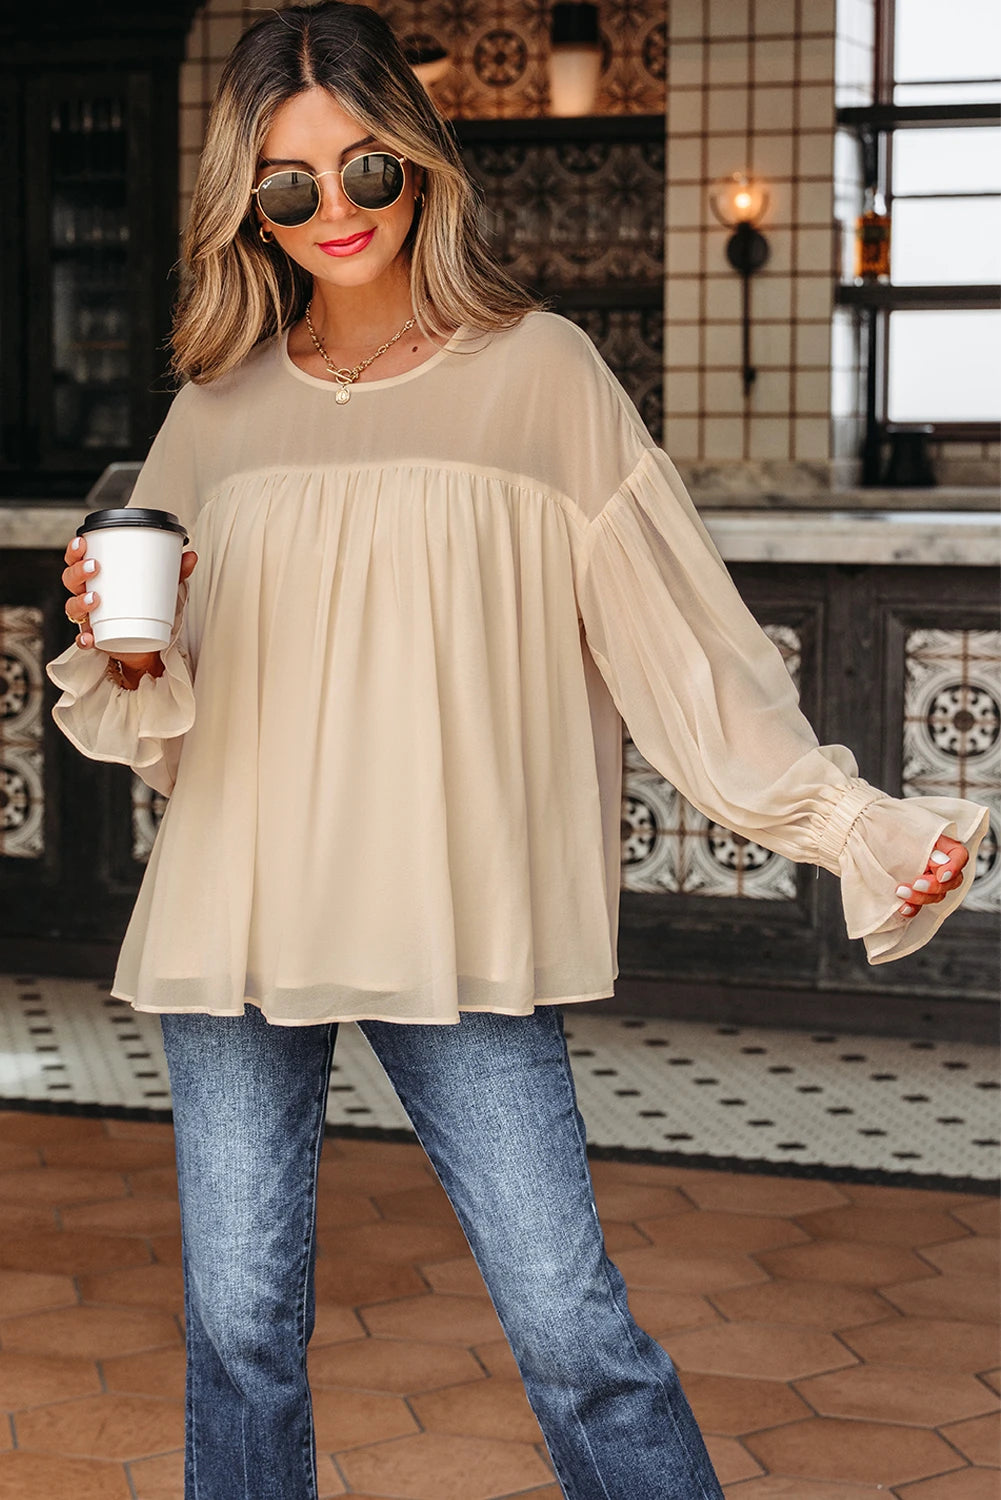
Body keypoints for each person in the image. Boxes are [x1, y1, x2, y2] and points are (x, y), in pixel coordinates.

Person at [46, 4, 990, 1497]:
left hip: (453, 911)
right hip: (242, 908)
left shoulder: (543, 373)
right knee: (237, 1327)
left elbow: (685, 648)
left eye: (366, 167)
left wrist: (844, 823)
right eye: (288, 184)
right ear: (248, 203)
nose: (335, 209)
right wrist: (130, 647)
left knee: (569, 1326)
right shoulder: (214, 410)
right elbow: (168, 704)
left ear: (421, 163)